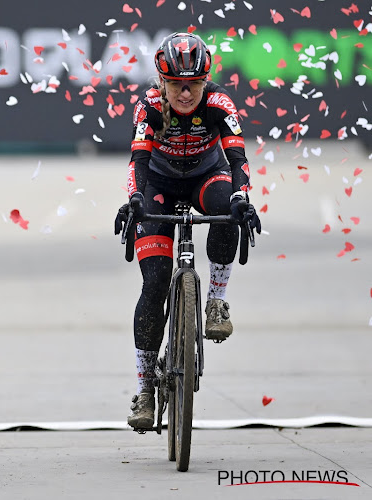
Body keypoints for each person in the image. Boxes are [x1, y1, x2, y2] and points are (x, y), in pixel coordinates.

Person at [115, 32, 261, 429]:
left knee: (227, 207)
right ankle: (145, 389)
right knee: (156, 281)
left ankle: (215, 300)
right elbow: (138, 163)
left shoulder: (219, 104)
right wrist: (134, 200)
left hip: (205, 177)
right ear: (161, 82)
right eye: (177, 85)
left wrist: (242, 198)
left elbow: (237, 159)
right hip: (159, 186)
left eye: (193, 84)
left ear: (204, 81)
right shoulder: (147, 107)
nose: (185, 93)